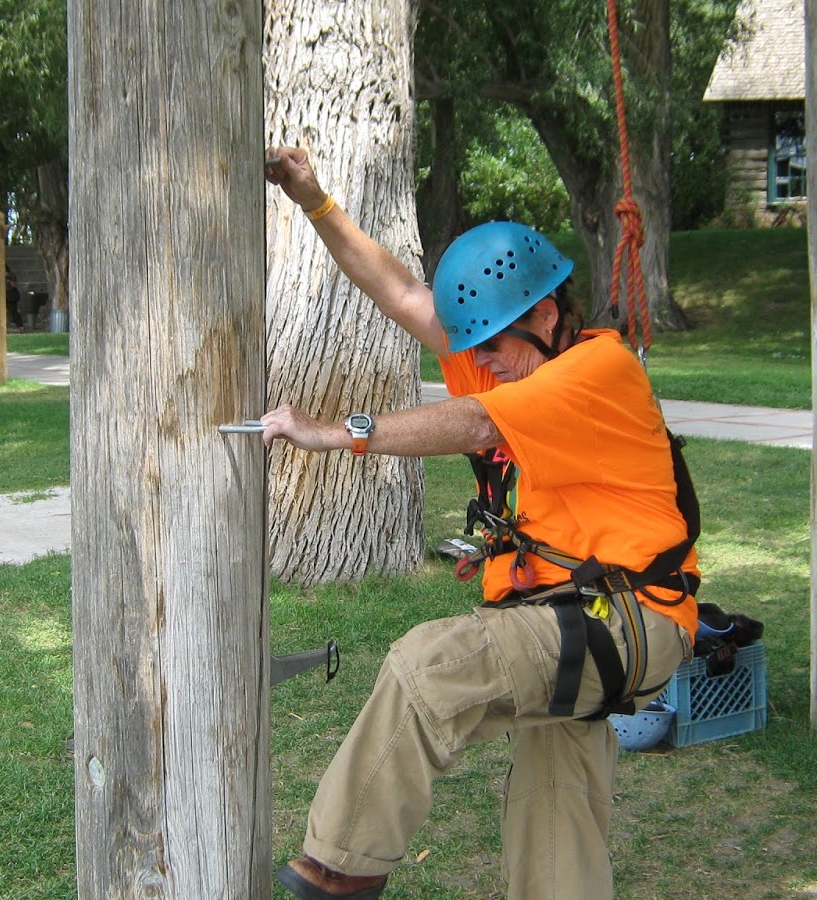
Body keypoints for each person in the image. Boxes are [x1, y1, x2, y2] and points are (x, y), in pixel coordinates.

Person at [260, 145, 700, 899]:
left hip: (625, 617)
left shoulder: (597, 371)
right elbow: (402, 294)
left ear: (546, 316)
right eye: (475, 348)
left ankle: (340, 869)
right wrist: (314, 201)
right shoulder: (516, 357)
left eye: (491, 345)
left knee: (426, 669)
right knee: (556, 808)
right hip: (584, 617)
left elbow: (474, 423)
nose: (481, 362)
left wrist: (334, 432)